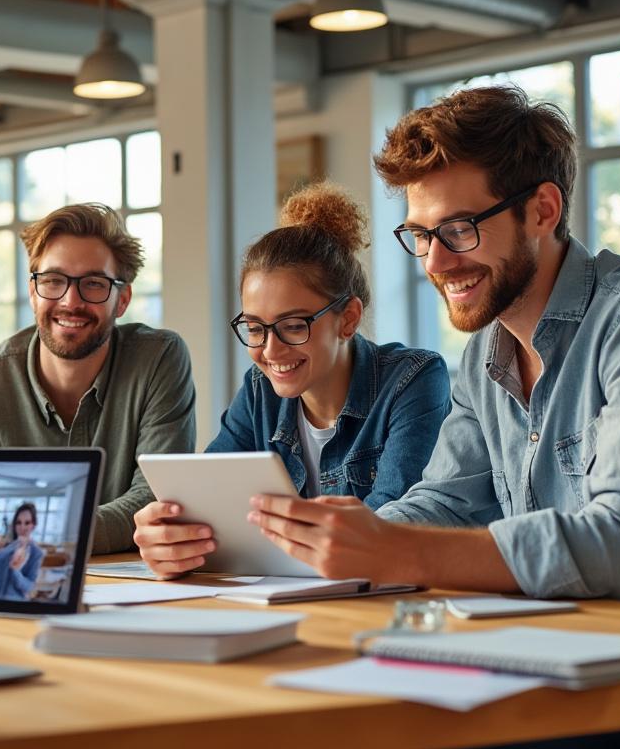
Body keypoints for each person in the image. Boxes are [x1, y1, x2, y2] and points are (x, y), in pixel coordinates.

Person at [246, 86, 620, 749]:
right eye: (419, 235)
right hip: (563, 670)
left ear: (542, 209)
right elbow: (445, 504)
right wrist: (312, 545)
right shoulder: (486, 352)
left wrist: (392, 547)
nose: (434, 262)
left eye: (458, 229)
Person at [132, 183, 450, 578]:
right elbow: (208, 502)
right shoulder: (258, 390)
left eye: (293, 326)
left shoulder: (413, 379)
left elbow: (385, 532)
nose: (270, 350)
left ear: (348, 318)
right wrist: (173, 537)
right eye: (254, 328)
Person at [0, 203, 196, 554]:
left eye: (93, 284)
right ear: (33, 292)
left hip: (132, 588)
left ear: (122, 299)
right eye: (53, 281)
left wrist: (28, 534)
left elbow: (156, 499)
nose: (70, 301)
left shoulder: (158, 359)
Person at [0, 503, 44, 601]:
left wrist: (15, 571)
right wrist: (8, 549)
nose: (22, 527)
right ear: (14, 525)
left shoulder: (36, 553)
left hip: (14, 604)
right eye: (18, 523)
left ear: (33, 525)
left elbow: (29, 587)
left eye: (27, 523)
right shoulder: (4, 546)